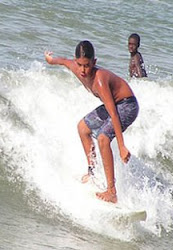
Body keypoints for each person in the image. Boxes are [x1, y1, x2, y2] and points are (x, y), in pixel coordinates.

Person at [44, 41, 139, 203]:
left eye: (87, 66)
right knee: (83, 128)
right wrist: (50, 60)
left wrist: (122, 146)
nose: (83, 70)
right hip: (116, 105)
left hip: (127, 105)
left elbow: (114, 114)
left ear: (94, 62)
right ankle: (92, 173)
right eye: (80, 65)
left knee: (103, 138)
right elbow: (62, 61)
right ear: (76, 61)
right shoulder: (75, 67)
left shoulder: (100, 80)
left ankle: (111, 191)